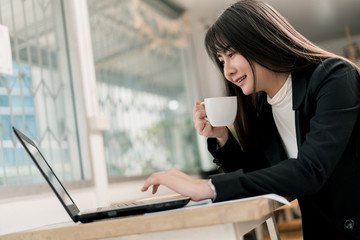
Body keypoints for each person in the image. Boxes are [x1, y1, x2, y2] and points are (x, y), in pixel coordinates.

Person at [141, 0, 360, 239]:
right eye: (222, 60)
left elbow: (310, 170)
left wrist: (207, 187)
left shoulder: (334, 77)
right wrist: (223, 138)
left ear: (262, 38)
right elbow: (261, 177)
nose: (227, 71)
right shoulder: (264, 110)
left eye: (231, 53)